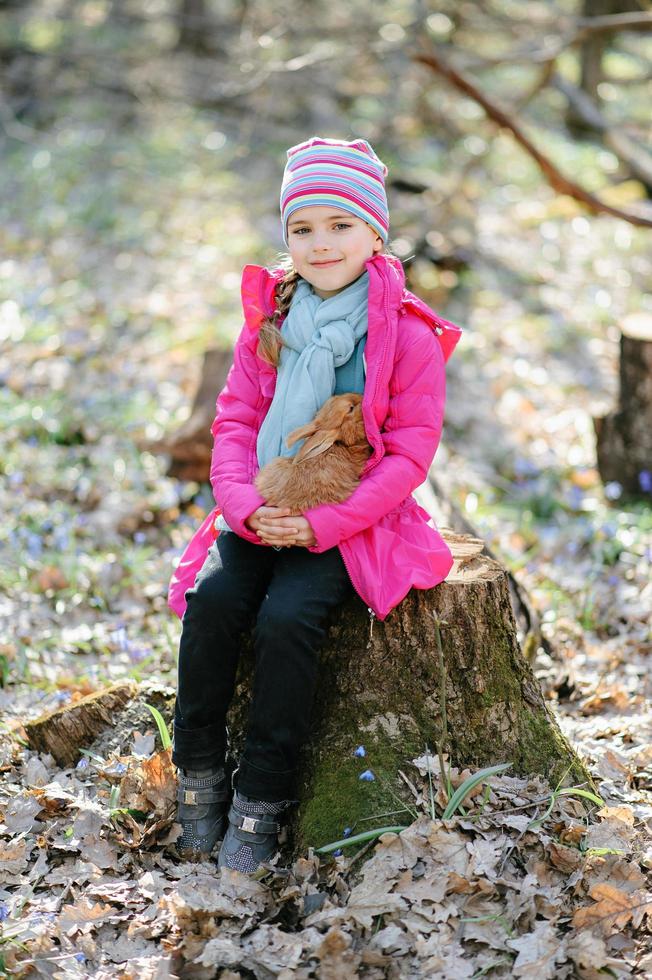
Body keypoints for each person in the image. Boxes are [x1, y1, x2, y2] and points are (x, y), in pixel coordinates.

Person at [168, 135, 462, 875]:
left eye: (340, 225)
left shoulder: (408, 339)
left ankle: (262, 799)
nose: (321, 242)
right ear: (286, 238)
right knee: (214, 603)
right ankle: (199, 770)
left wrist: (325, 523)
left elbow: (407, 455)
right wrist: (241, 506)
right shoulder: (269, 321)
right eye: (303, 227)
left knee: (287, 617)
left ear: (375, 233)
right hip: (262, 506)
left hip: (349, 522)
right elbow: (235, 422)